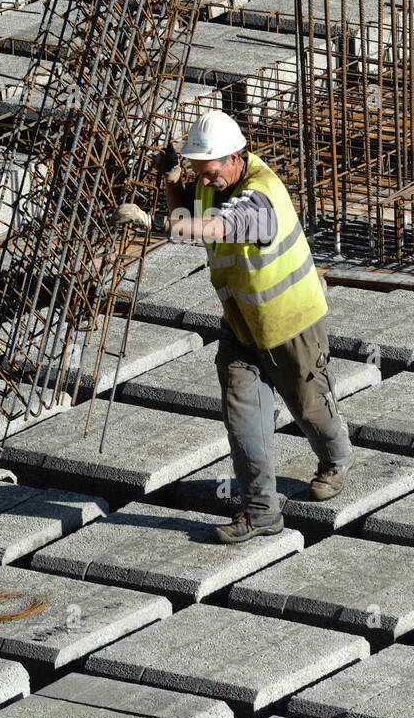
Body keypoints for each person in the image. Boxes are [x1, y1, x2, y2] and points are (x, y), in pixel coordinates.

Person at [114, 111, 354, 545]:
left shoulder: (259, 199)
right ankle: (262, 510)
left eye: (210, 173)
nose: (204, 182)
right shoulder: (211, 183)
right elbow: (190, 216)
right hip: (241, 326)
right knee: (242, 416)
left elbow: (214, 225)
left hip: (291, 324)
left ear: (235, 156)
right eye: (198, 174)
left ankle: (336, 457)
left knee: (308, 406)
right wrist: (172, 180)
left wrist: (154, 224)